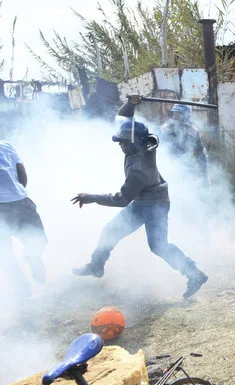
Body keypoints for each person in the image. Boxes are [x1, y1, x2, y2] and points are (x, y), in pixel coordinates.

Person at [71, 99, 208, 299]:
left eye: (123, 142)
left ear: (133, 142)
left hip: (151, 205)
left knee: (153, 244)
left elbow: (121, 199)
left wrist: (91, 197)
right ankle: (96, 266)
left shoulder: (138, 171)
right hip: (153, 199)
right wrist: (131, 104)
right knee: (130, 237)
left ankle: (194, 274)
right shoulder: (148, 142)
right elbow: (123, 119)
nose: (120, 145)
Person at [0, 140, 47, 297]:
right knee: (37, 239)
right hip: (20, 202)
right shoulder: (6, 145)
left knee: (5, 252)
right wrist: (17, 192)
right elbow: (22, 173)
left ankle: (22, 289)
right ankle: (33, 257)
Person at [159, 104, 208, 183]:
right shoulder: (165, 128)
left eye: (179, 114)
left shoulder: (193, 131)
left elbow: (200, 153)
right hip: (168, 165)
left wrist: (204, 176)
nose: (176, 117)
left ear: (186, 116)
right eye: (175, 114)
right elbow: (159, 149)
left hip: (187, 166)